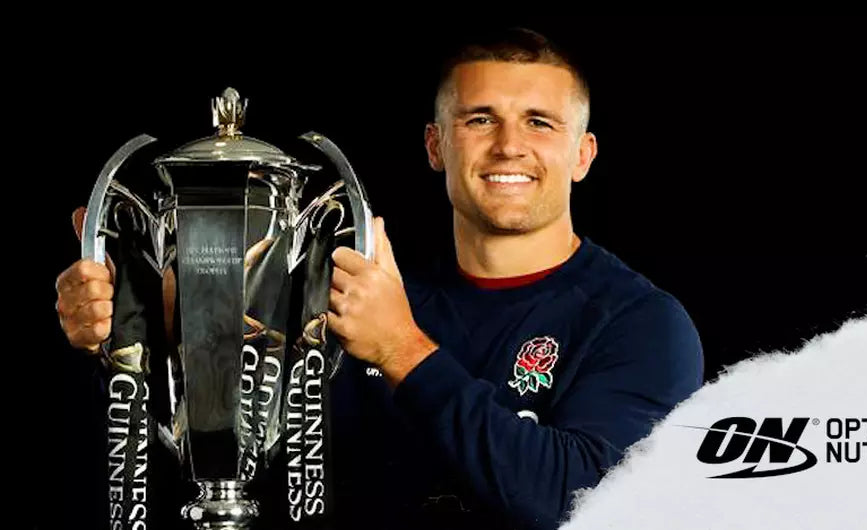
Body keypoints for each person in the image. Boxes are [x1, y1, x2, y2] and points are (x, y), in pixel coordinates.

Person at [55, 27, 704, 530]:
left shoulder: (640, 324)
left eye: (539, 122)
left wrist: (401, 351)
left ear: (582, 154)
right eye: (479, 119)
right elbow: (247, 456)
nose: (508, 145)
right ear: (434, 145)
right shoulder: (357, 298)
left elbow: (586, 505)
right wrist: (145, 330)